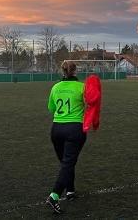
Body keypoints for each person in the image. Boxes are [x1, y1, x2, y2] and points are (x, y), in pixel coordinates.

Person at [46, 61, 88, 214]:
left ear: (62, 71)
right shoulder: (81, 87)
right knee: (68, 163)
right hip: (75, 128)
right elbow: (90, 104)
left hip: (56, 129)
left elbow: (51, 108)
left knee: (66, 163)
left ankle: (70, 191)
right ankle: (54, 195)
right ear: (75, 71)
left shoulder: (55, 87)